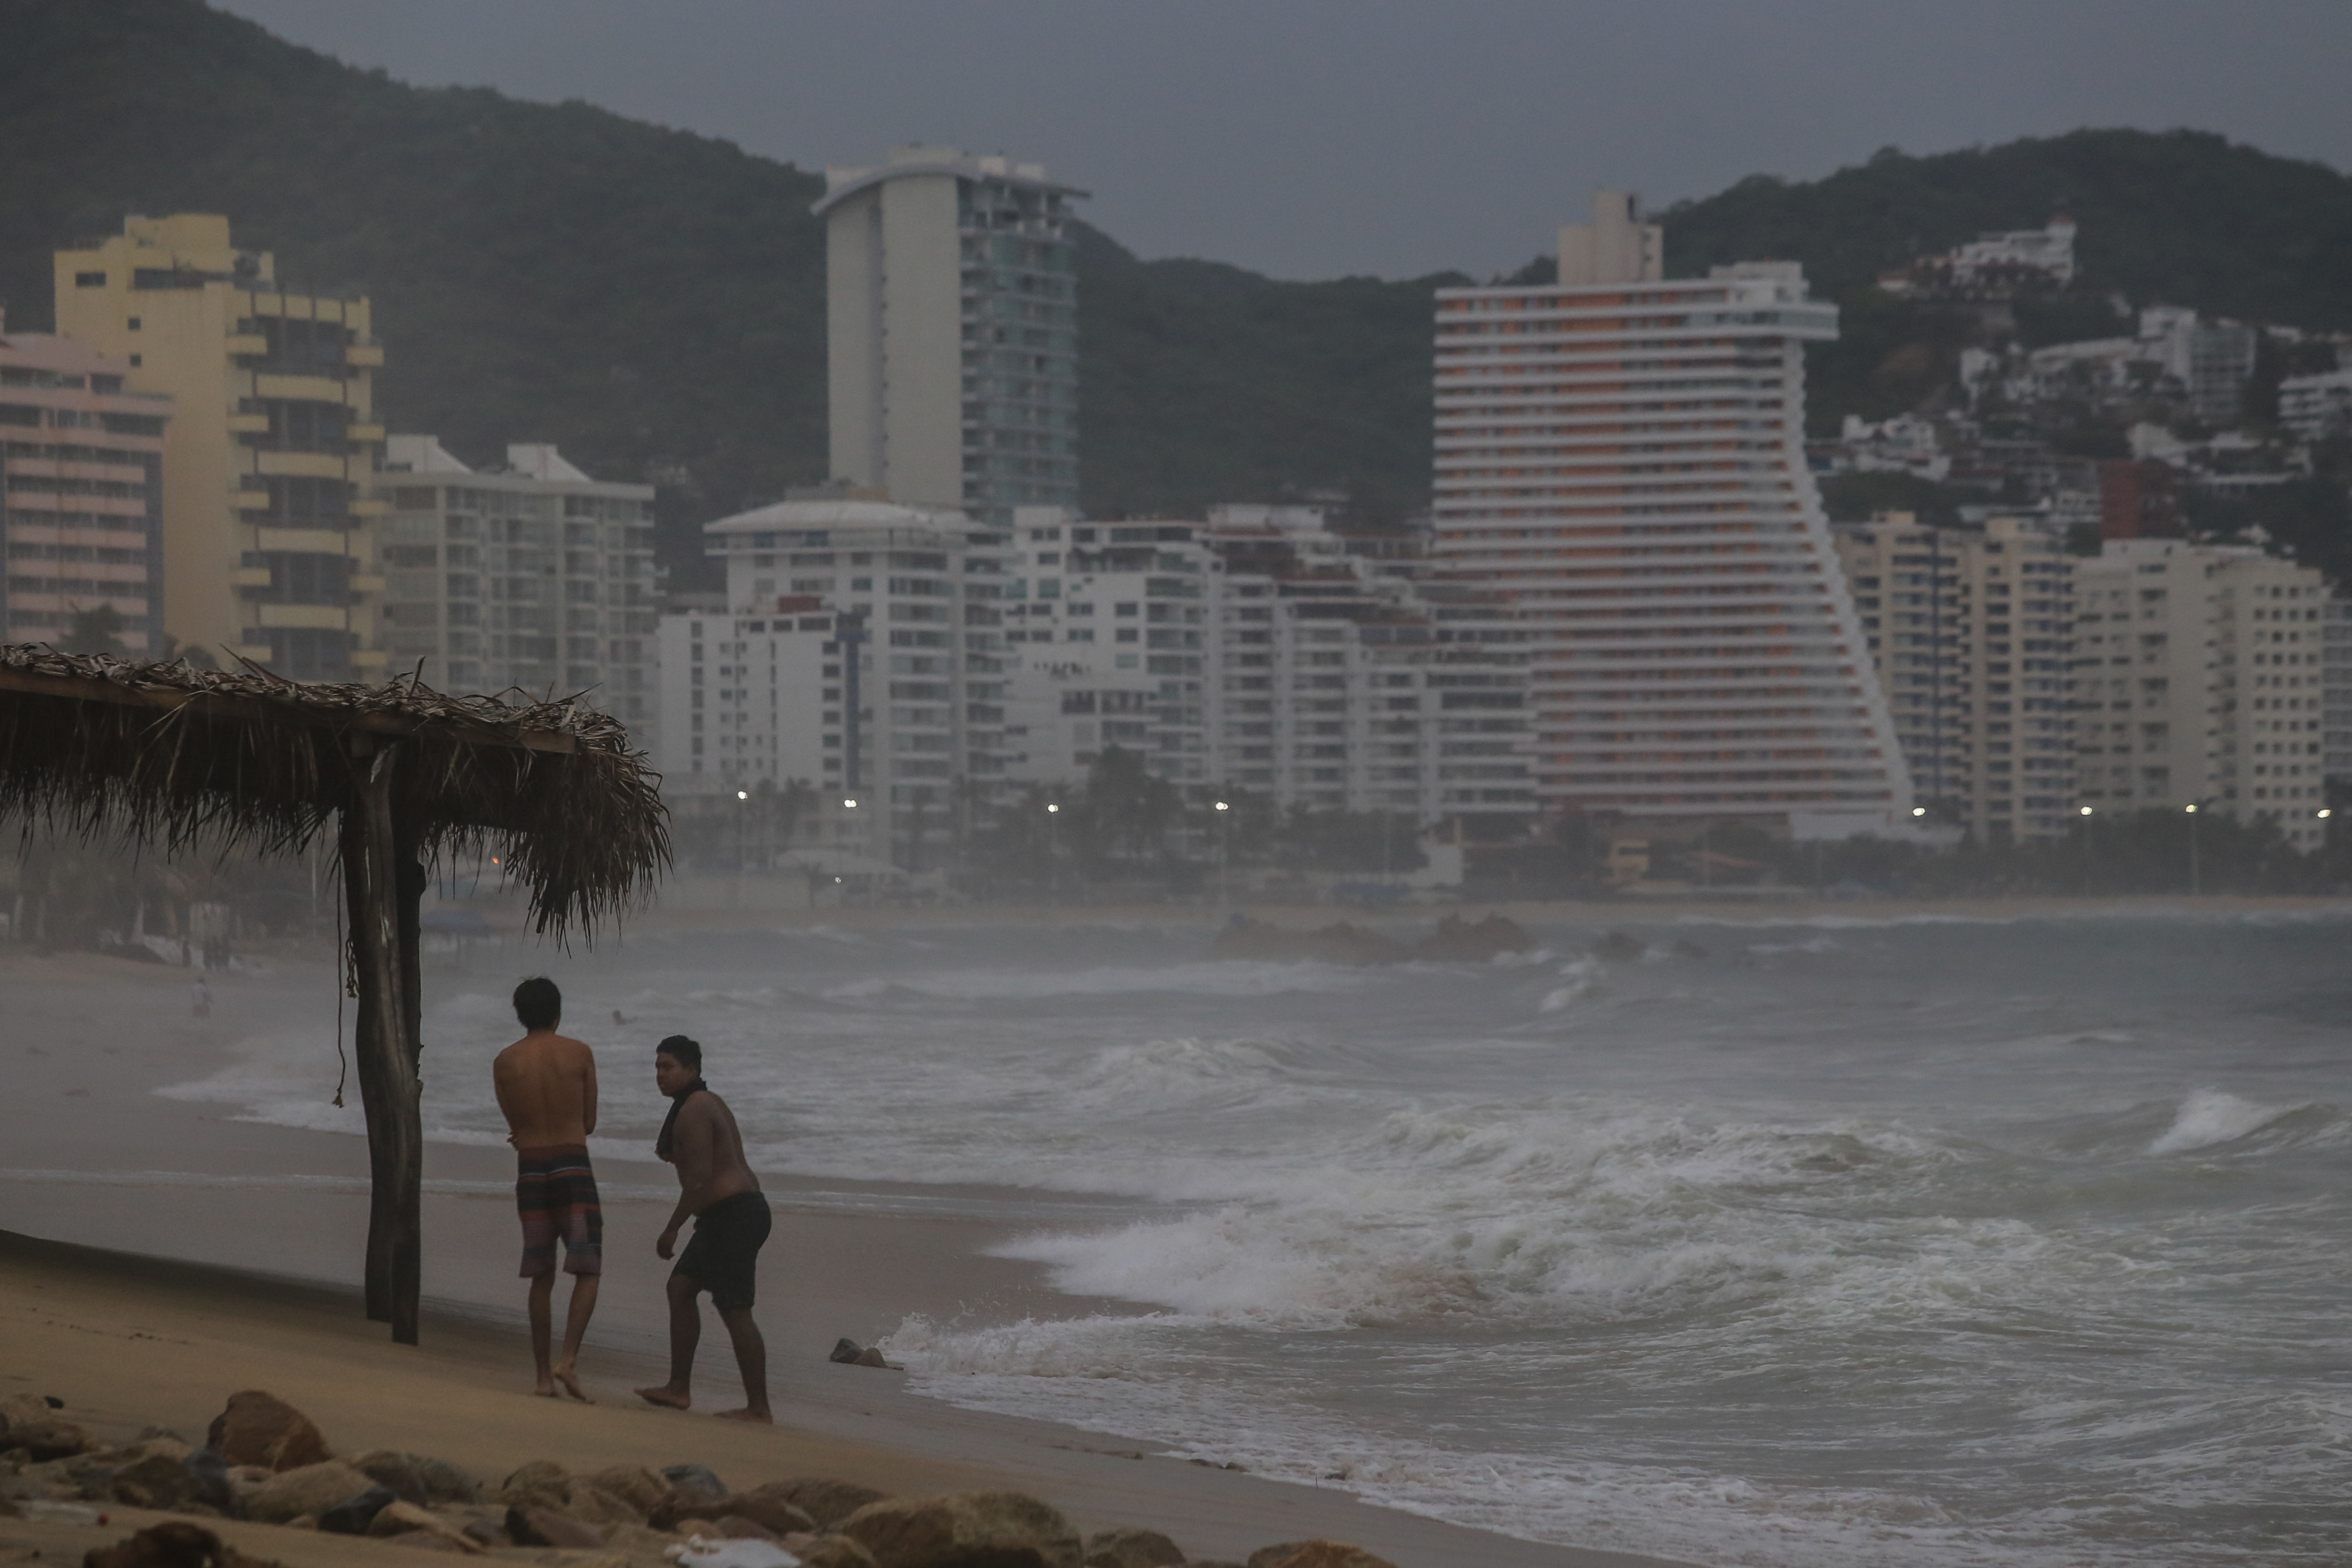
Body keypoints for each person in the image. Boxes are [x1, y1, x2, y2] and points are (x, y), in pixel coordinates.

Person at [633, 1035, 771, 1422]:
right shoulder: (702, 1102)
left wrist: (671, 1228)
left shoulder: (695, 1109)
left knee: (735, 1309)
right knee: (681, 1287)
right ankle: (678, 1389)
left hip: (735, 1215)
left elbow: (697, 1180)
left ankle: (759, 1408)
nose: (660, 1075)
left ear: (692, 1071)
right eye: (657, 1067)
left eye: (668, 1067)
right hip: (729, 1214)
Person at [491, 976, 601, 1401]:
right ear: (558, 1011)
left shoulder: (504, 1061)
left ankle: (541, 1377)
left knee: (541, 1272)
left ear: (520, 1015)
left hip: (532, 1166)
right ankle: (568, 1360)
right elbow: (589, 1122)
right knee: (587, 1266)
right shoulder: (579, 1052)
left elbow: (515, 1126)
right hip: (573, 1161)